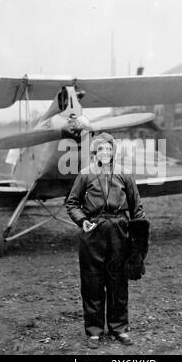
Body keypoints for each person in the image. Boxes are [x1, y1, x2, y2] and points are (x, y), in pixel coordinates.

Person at [65, 132, 147, 349]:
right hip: (93, 231)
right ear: (95, 152)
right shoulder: (85, 175)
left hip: (120, 230)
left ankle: (119, 328)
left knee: (118, 281)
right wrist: (82, 221)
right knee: (92, 282)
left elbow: (137, 209)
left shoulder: (125, 175)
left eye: (109, 149)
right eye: (101, 149)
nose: (105, 153)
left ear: (113, 151)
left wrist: (139, 247)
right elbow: (71, 203)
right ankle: (94, 331)